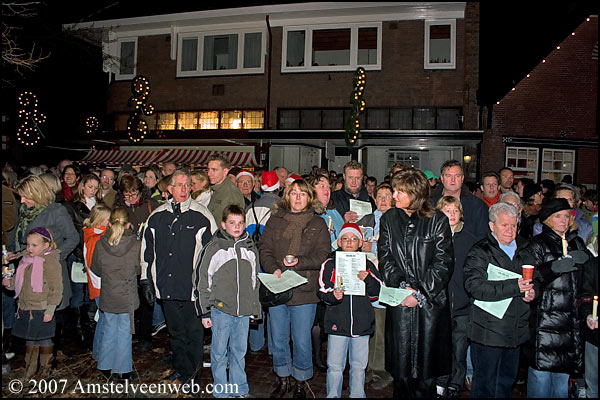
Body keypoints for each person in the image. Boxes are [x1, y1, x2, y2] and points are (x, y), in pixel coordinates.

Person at [378, 168, 454, 398]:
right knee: (401, 377)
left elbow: (444, 262)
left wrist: (420, 293)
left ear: (415, 193)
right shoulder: (389, 218)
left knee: (426, 376)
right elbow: (385, 257)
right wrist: (402, 288)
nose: (394, 196)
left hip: (429, 308)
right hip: (400, 306)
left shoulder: (437, 220)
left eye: (400, 191)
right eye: (394, 190)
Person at [141, 170, 217, 384]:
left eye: (187, 185)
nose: (184, 189)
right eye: (179, 185)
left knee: (194, 334)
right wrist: (146, 279)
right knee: (175, 333)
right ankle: (181, 369)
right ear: (169, 189)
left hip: (192, 288)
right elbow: (147, 250)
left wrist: (208, 285)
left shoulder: (202, 215)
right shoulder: (156, 217)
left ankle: (193, 374)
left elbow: (213, 253)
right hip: (167, 285)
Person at [259, 179, 331, 397]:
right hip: (279, 287)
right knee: (279, 338)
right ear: (287, 196)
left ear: (309, 197)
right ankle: (283, 378)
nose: (298, 198)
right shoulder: (275, 220)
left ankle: (301, 380)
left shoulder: (317, 223)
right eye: (293, 193)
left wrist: (300, 261)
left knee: (301, 339)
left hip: (304, 289)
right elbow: (264, 248)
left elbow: (323, 254)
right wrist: (273, 269)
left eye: (302, 194)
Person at [463, 202, 538, 398]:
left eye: (513, 225)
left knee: (506, 383)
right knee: (485, 385)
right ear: (491, 226)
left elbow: (536, 280)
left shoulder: (525, 249)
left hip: (515, 330)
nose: (510, 230)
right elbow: (474, 286)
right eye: (504, 225)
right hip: (488, 331)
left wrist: (532, 293)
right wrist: (515, 286)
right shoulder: (480, 251)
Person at [524, 198, 592, 398]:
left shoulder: (576, 242)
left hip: (570, 323)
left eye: (567, 216)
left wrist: (587, 260)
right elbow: (530, 278)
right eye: (558, 216)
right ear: (547, 220)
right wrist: (551, 269)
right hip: (545, 323)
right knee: (541, 380)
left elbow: (586, 281)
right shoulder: (537, 245)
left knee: (561, 385)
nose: (563, 220)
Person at [195, 205, 261, 398]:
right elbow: (201, 278)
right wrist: (205, 311)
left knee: (239, 351)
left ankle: (239, 387)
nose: (237, 227)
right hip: (221, 309)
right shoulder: (214, 247)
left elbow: (254, 281)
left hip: (243, 311)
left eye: (240, 223)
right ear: (223, 224)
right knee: (219, 352)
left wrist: (253, 308)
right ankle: (221, 389)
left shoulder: (250, 248)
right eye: (232, 223)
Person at [13, 175, 79, 366]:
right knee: (33, 321)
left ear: (37, 193)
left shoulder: (55, 211)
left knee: (50, 317)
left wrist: (53, 257)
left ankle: (49, 365)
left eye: (25, 196)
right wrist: (16, 254)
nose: (22, 201)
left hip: (49, 274)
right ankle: (32, 366)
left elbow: (72, 238)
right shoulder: (27, 212)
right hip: (29, 274)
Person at [317, 223, 382, 398]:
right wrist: (333, 295)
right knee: (335, 366)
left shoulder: (367, 264)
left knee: (359, 366)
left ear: (360, 243)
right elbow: (322, 290)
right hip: (337, 321)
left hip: (361, 323)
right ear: (339, 241)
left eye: (354, 239)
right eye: (345, 238)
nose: (349, 242)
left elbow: (378, 293)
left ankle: (358, 395)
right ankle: (332, 395)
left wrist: (368, 280)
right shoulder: (330, 263)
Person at [3, 227, 63, 379]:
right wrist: (8, 283)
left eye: (34, 245)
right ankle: (29, 369)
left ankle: (45, 370)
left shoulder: (50, 262)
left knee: (44, 339)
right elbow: (19, 283)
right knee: (30, 339)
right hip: (25, 307)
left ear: (46, 245)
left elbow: (57, 288)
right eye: (28, 245)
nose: (29, 248)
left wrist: (50, 310)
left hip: (41, 308)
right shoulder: (25, 260)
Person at [435, 196, 478, 397]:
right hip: (439, 304)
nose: (452, 215)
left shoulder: (469, 239)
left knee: (459, 349)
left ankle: (455, 383)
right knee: (440, 346)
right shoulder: (433, 237)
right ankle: (440, 381)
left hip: (462, 304)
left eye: (455, 211)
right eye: (447, 211)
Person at [91, 208, 140, 381]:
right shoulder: (135, 244)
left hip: (109, 293)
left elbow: (95, 268)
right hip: (127, 294)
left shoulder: (100, 243)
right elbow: (138, 268)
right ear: (128, 224)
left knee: (109, 328)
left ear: (109, 224)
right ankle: (122, 369)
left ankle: (105, 365)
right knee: (125, 331)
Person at [114, 175, 160, 351]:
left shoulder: (150, 206)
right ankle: (130, 333)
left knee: (147, 298)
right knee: (130, 299)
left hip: (147, 259)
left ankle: (145, 335)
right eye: (127, 195)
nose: (131, 198)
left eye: (134, 194)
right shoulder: (118, 209)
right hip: (127, 260)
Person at [307, 173, 345, 374]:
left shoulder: (333, 212)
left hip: (334, 269)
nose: (327, 189)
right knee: (316, 317)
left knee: (329, 315)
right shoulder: (310, 214)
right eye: (321, 186)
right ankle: (316, 355)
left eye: (328, 186)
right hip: (315, 271)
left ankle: (331, 354)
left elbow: (342, 235)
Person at [63, 174, 104, 347]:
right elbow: (73, 232)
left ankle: (91, 328)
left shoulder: (101, 206)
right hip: (79, 252)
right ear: (82, 186)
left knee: (92, 291)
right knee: (79, 293)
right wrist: (80, 252)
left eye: (96, 188)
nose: (93, 191)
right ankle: (79, 331)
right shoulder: (72, 207)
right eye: (90, 187)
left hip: (95, 252)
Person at [244, 170, 281, 355]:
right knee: (274, 305)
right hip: (272, 261)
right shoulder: (280, 207)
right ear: (278, 187)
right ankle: (274, 347)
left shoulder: (250, 207)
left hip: (253, 261)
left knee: (256, 302)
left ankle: (256, 344)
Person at [430, 160, 489, 240]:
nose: (453, 180)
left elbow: (483, 237)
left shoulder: (477, 206)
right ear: (442, 179)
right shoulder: (430, 205)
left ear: (462, 178)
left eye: (457, 176)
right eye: (448, 176)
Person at [82, 204, 111, 361]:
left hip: (100, 284)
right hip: (100, 285)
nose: (110, 222)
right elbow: (95, 265)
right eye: (108, 219)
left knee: (103, 319)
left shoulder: (95, 235)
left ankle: (98, 352)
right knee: (106, 320)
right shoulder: (95, 238)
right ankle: (102, 353)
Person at [207, 154, 245, 223]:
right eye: (208, 169)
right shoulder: (216, 190)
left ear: (225, 171)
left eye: (214, 170)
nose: (209, 174)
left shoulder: (231, 193)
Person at [580, 255, 598, 398]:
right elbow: (585, 296)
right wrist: (588, 314)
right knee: (593, 385)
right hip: (595, 336)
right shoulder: (592, 265)